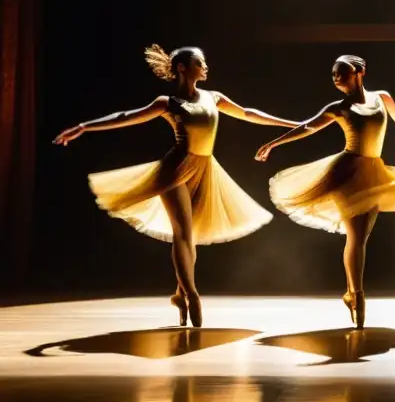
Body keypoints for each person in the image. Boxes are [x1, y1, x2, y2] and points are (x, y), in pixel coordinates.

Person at [53, 45, 299, 327]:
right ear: (182, 67)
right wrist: (84, 126)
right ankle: (192, 294)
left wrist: (295, 124)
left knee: (189, 236)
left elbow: (247, 112)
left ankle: (181, 294)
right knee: (182, 232)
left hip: (205, 170)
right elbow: (125, 116)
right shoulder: (167, 102)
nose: (206, 66)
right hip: (175, 170)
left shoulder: (213, 98)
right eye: (200, 62)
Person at [255, 55, 395, 329]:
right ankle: (357, 294)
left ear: (360, 72)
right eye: (333, 73)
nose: (335, 77)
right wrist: (274, 143)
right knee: (355, 236)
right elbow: (308, 126)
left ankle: (351, 292)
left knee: (362, 236)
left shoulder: (382, 98)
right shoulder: (338, 107)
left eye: (341, 72)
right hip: (346, 172)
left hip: (374, 172)